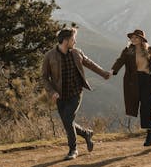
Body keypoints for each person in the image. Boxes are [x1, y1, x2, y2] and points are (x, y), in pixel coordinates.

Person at [42, 27, 111, 160]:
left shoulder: (76, 53)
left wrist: (104, 73)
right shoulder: (49, 56)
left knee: (68, 120)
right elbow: (44, 77)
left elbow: (90, 64)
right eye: (74, 39)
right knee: (68, 122)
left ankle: (73, 150)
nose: (75, 42)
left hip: (75, 93)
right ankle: (86, 134)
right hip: (60, 96)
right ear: (66, 40)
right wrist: (52, 92)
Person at [111, 29, 151, 146]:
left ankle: (149, 135)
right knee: (144, 106)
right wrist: (113, 70)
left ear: (141, 39)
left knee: (146, 106)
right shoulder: (128, 51)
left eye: (136, 37)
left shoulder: (150, 51)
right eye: (132, 38)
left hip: (148, 80)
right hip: (135, 82)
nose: (133, 39)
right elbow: (120, 60)